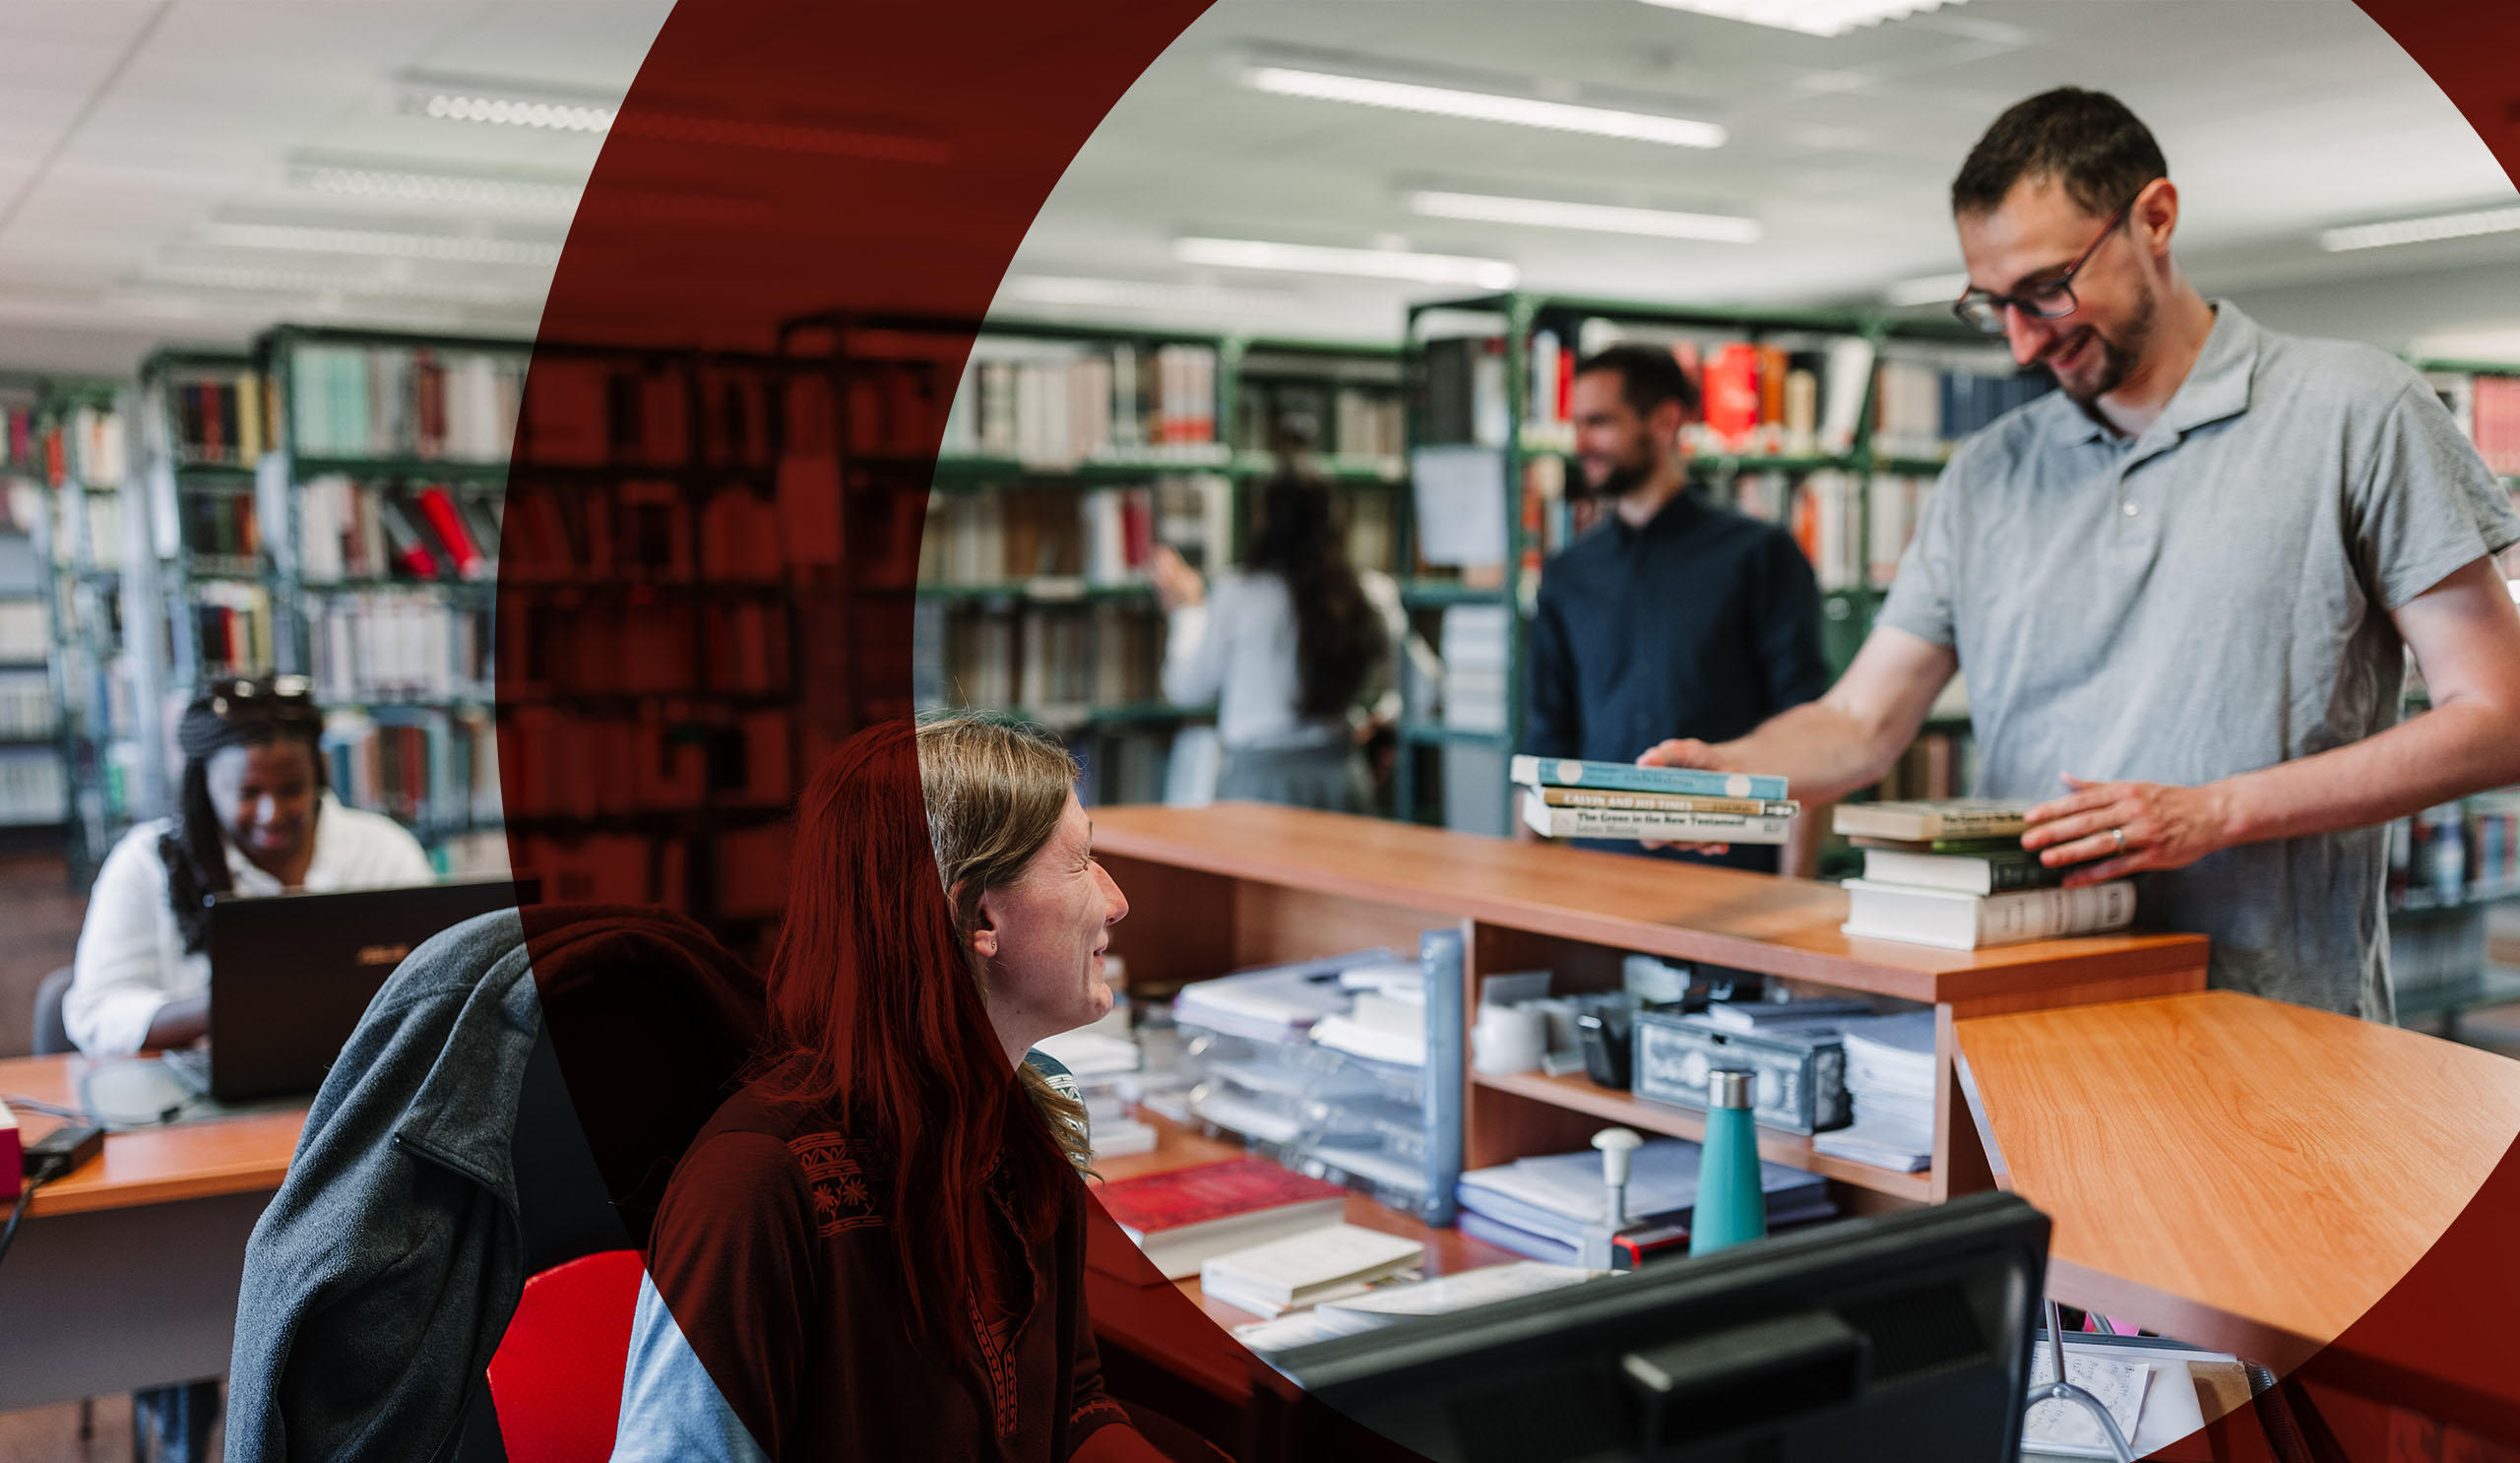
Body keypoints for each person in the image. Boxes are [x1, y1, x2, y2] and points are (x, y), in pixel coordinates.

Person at [1644, 87, 2520, 1020]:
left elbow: (2498, 716)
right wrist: (1738, 772)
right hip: (2016, 1008)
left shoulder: (2357, 412)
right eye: (1994, 304)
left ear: (2156, 218)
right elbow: (1860, 721)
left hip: (2271, 1014)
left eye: (2048, 289)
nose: (2022, 342)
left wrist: (2214, 811)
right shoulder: (1986, 475)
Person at [612, 716, 1184, 1462]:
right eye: (1080, 862)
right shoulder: (753, 1189)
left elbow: (1072, 1406)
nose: (1116, 901)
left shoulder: (1028, 1124)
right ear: (981, 915)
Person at [1527, 344, 1833, 873]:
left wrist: (1795, 889)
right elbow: (1546, 738)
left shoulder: (1759, 555)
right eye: (1576, 424)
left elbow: (1806, 725)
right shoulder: (1568, 572)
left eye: (1600, 423)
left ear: (1665, 420)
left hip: (1733, 875)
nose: (1581, 443)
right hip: (1601, 872)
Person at [65, 674, 434, 1056]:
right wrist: (241, 1008)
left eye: (292, 789)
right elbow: (96, 1015)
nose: (271, 814)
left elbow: (437, 986)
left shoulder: (385, 850)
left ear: (319, 774)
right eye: (247, 793)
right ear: (205, 787)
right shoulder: (144, 863)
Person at [1153, 474, 1401, 811]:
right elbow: (1421, 691)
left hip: (1258, 788)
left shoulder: (1238, 593)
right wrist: (1379, 720)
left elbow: (1186, 689)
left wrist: (1188, 611)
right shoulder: (1369, 592)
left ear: (1264, 522)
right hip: (1339, 779)